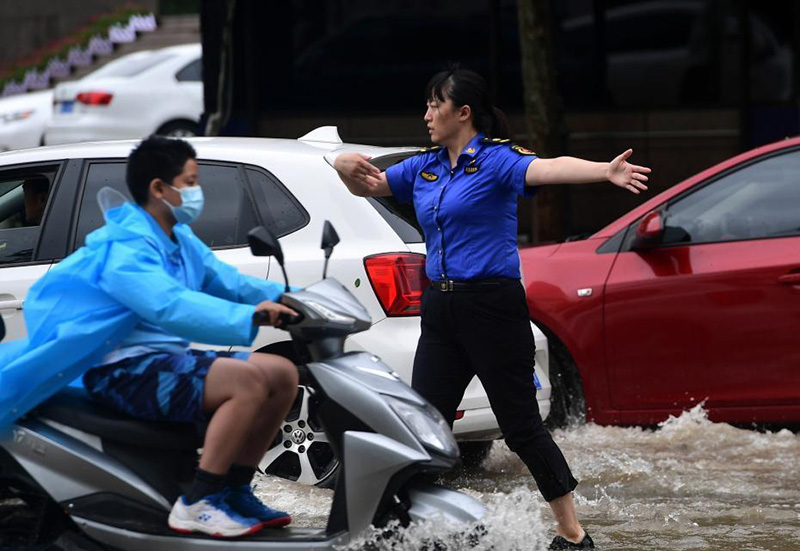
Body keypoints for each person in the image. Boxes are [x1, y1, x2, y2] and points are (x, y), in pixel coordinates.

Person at [333, 68, 651, 551]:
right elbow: (370, 186)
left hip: (493, 308)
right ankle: (403, 529)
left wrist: (603, 171)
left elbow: (547, 167)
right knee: (422, 423)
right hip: (440, 310)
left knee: (521, 428)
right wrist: (341, 164)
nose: (426, 115)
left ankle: (573, 534)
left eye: (434, 104)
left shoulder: (498, 160)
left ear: (463, 112)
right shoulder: (425, 167)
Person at [0, 136, 298, 538]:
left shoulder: (178, 238)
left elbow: (227, 281)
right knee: (245, 382)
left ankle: (236, 490)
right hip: (121, 370)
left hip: (162, 364)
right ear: (159, 188)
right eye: (190, 182)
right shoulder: (125, 245)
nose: (197, 192)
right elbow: (168, 305)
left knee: (281, 373)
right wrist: (254, 316)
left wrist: (292, 299)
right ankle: (199, 502)